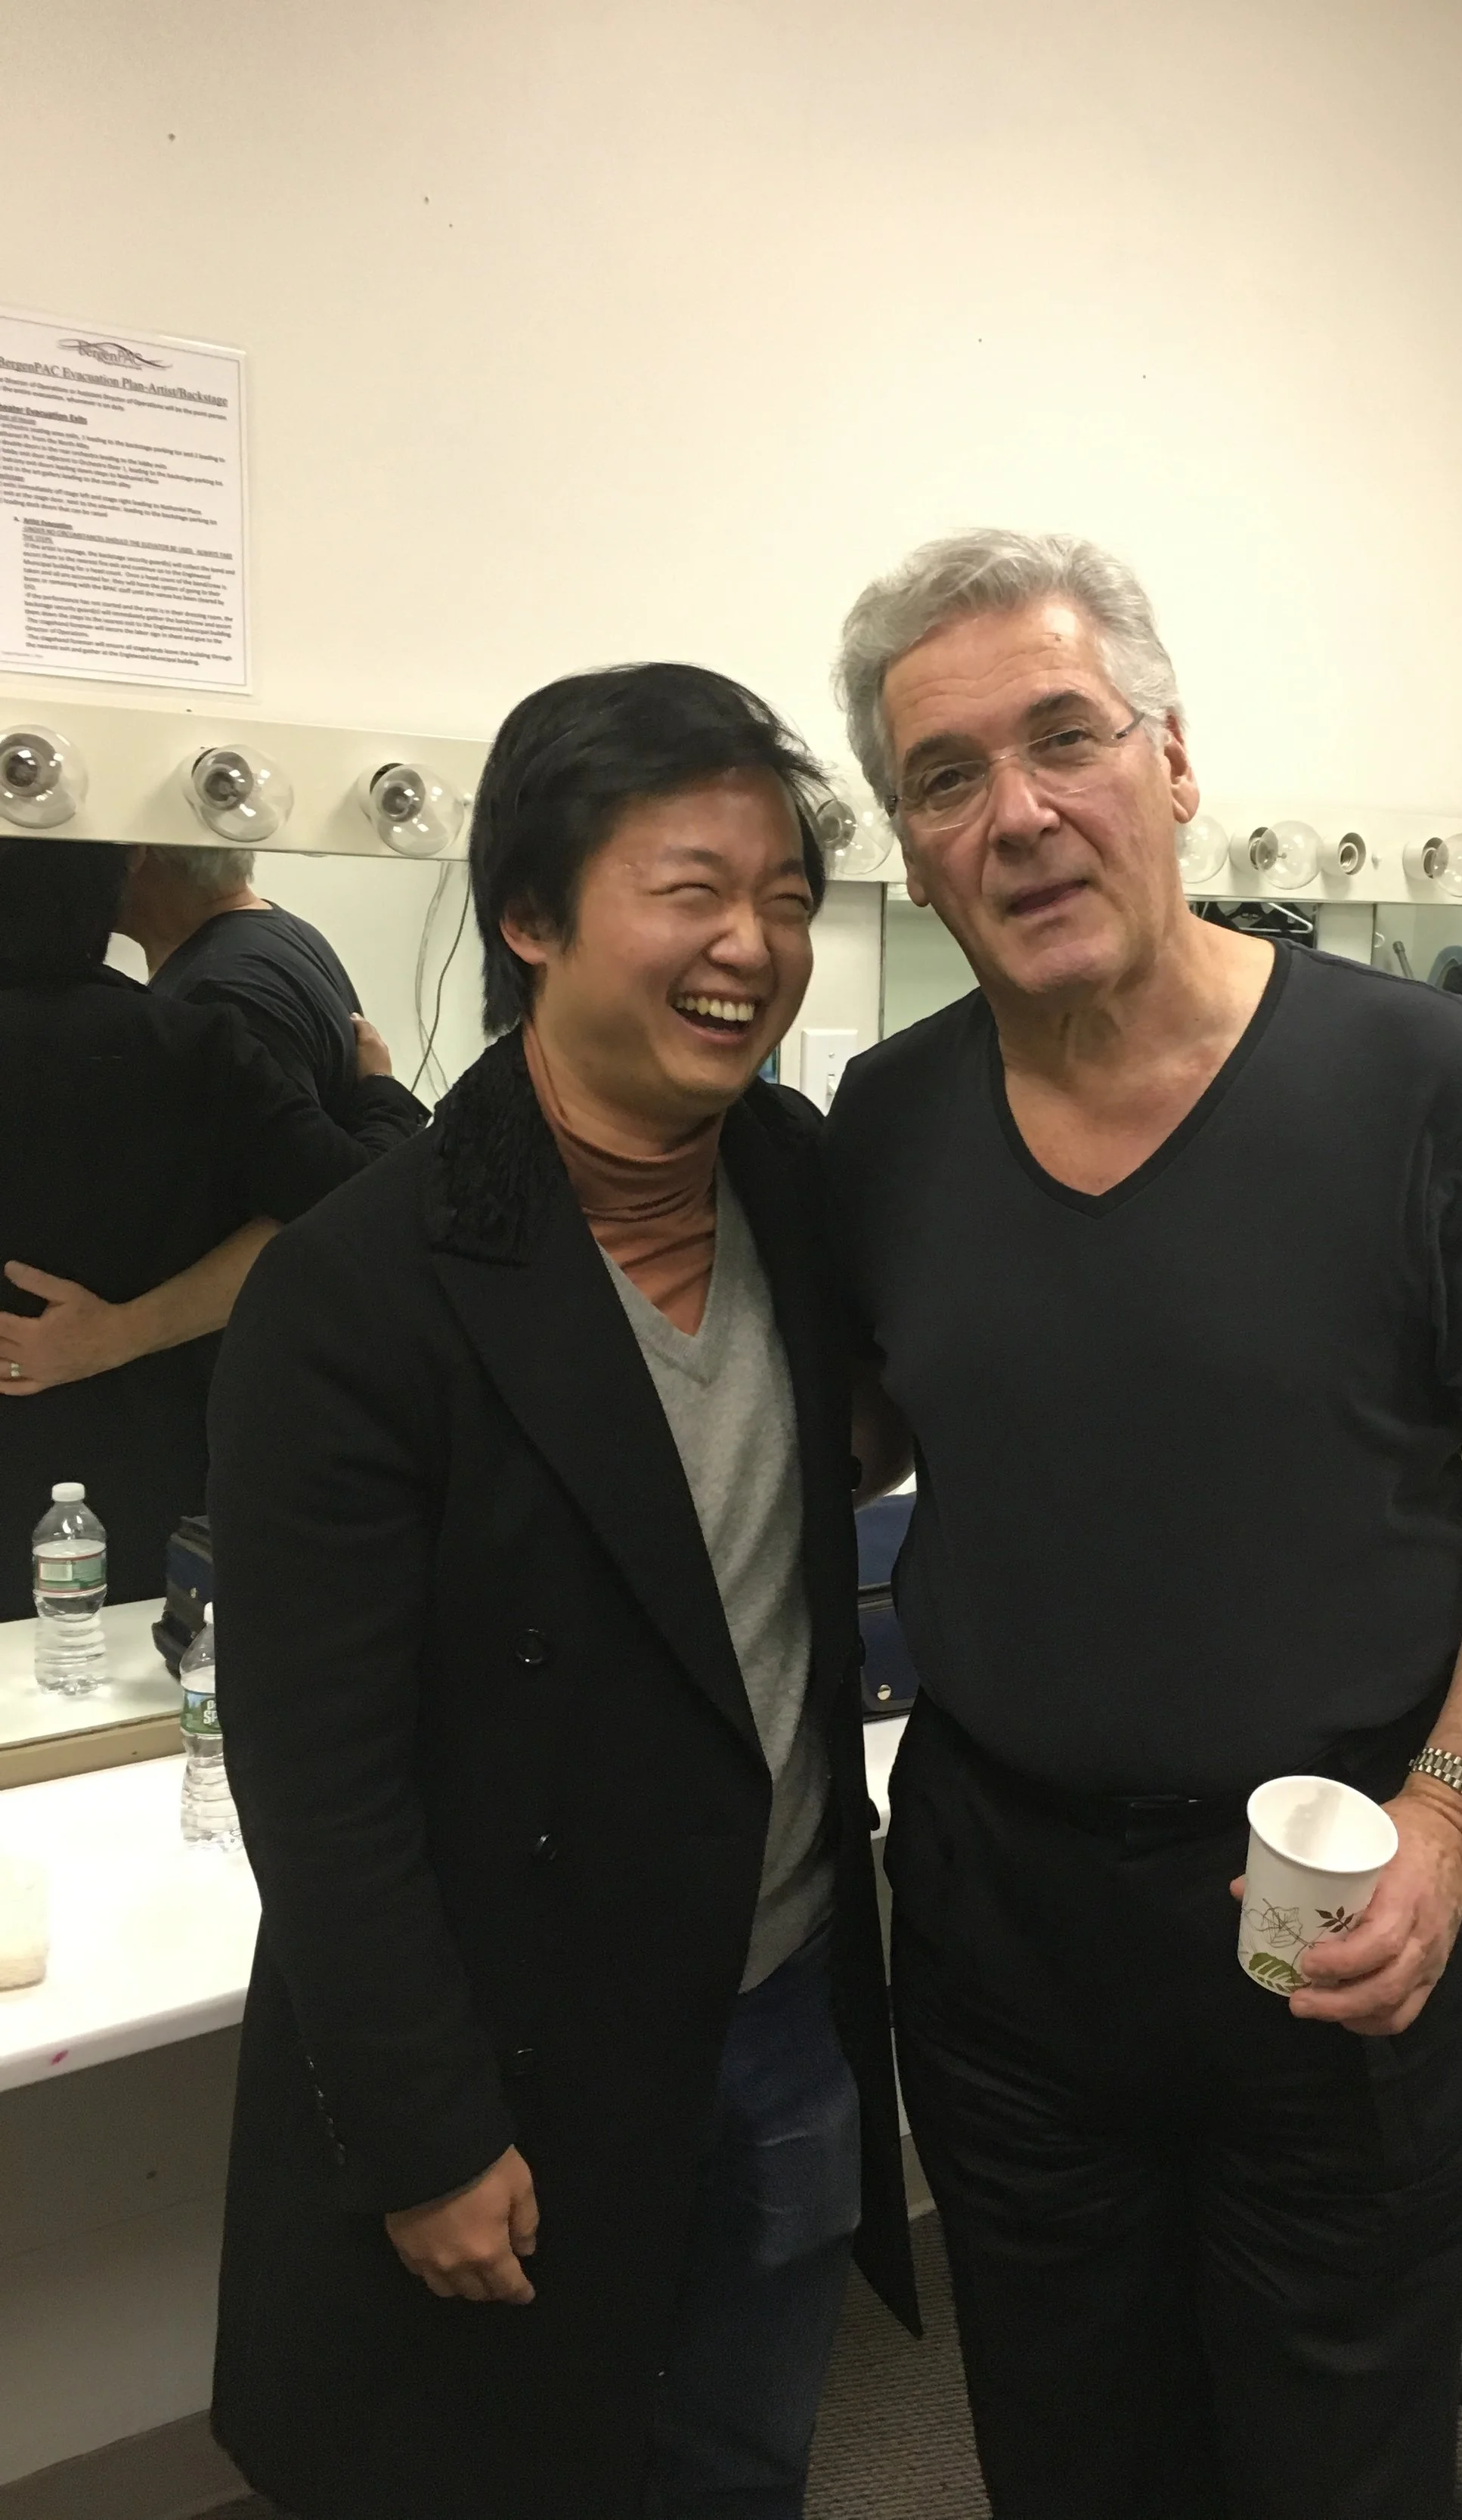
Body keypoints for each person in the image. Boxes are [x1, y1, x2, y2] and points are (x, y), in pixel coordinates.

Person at [821, 529, 1462, 2520]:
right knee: (1066, 2452)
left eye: (1062, 736)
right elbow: (832, 1449)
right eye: (944, 777)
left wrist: (1447, 1814)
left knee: (1325, 2458)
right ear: (908, 847)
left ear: (1170, 760)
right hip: (1008, 1925)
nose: (1014, 812)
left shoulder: (1420, 1083)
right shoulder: (888, 1121)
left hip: (1342, 1899)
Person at [206, 664, 916, 2520]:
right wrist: (426, 2134)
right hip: (509, 2046)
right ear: (530, 917)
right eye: (691, 889)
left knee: (743, 2464)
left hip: (776, 2001)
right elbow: (318, 1777)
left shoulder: (796, 1180)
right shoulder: (365, 1291)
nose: (750, 946)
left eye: (782, 897)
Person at [0, 839, 384, 1616]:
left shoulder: (215, 1004)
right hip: (149, 1467)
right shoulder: (189, 1045)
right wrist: (382, 1097)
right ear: (107, 886)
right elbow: (358, 1204)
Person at [117, 842, 429, 1144]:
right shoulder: (276, 931)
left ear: (137, 855)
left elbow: (309, 1184)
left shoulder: (224, 993)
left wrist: (385, 1095)